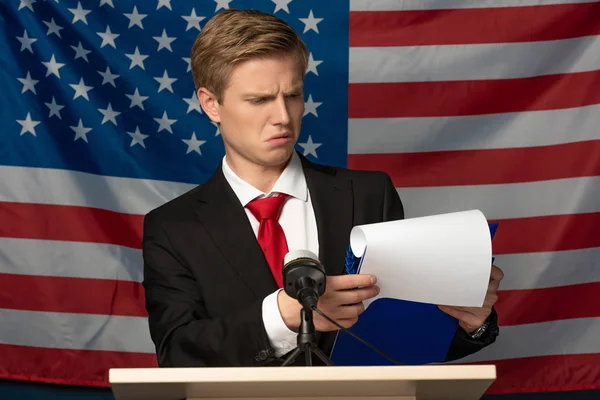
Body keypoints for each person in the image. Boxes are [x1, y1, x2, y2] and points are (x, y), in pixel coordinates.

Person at [142, 8, 503, 368]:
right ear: (210, 104)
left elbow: (400, 341)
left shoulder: (369, 195)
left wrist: (471, 321)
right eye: (260, 100)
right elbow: (177, 353)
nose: (283, 117)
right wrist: (283, 315)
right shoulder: (173, 228)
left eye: (293, 95)